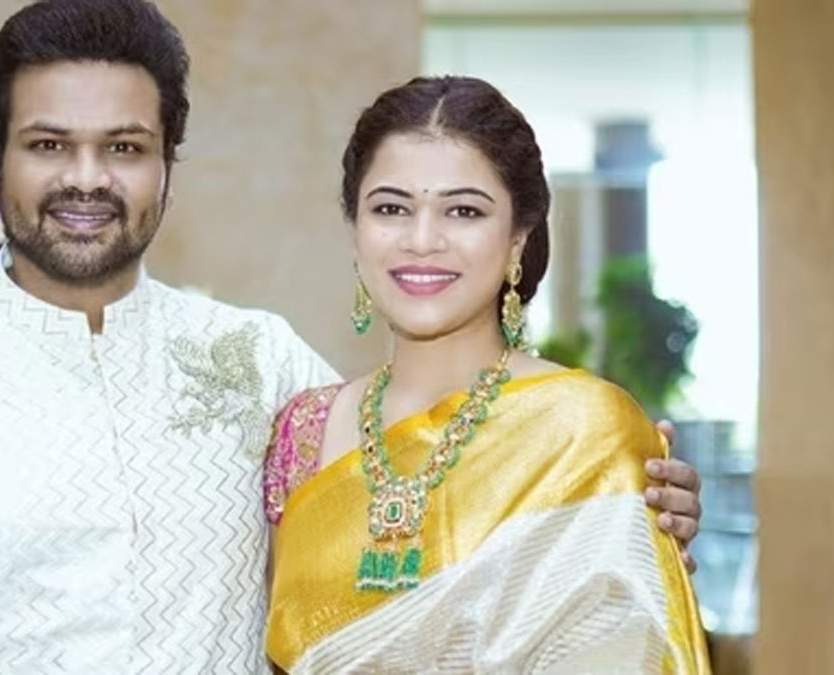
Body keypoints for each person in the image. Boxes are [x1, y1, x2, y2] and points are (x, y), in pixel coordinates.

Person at [0, 2, 704, 672]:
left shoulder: (254, 359)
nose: (87, 179)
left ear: (168, 163)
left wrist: (624, 510)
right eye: (48, 145)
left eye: (125, 146)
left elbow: (432, 505)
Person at [264, 75, 710, 673]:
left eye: (464, 211)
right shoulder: (304, 431)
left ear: (518, 238)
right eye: (391, 208)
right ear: (354, 232)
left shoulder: (585, 431)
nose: (422, 240)